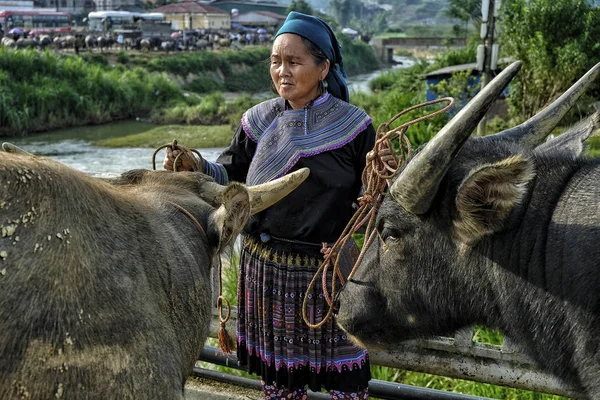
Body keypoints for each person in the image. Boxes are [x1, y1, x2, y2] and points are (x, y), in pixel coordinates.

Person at [164, 12, 374, 400]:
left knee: (347, 385)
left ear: (324, 67)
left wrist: (376, 189)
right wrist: (194, 166)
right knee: (280, 385)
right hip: (267, 270)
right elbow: (228, 175)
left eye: (294, 62)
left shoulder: (354, 127)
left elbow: (372, 197)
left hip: (329, 274)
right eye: (276, 62)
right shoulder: (257, 120)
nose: (282, 72)